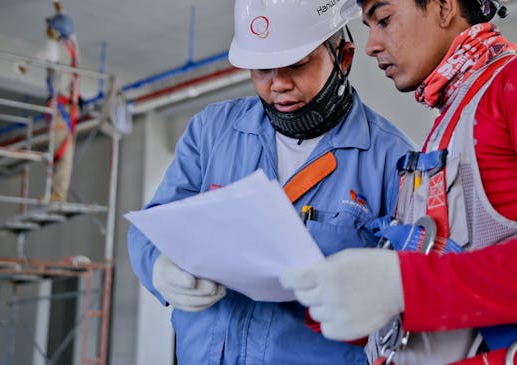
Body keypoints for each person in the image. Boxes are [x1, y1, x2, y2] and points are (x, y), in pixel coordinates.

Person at [280, 0, 517, 364]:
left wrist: (403, 286)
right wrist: (345, 294)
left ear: (445, 7)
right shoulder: (448, 125)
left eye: (383, 20)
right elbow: (445, 285)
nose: (371, 45)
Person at [127, 0, 414, 363]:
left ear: (343, 57)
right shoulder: (211, 132)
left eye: (297, 64)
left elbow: (411, 291)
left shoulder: (393, 160)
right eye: (262, 69)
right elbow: (155, 222)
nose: (278, 84)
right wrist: (159, 266)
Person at [40, 0, 80, 202]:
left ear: (55, 32)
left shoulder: (55, 49)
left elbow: (44, 55)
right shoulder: (72, 47)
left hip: (60, 108)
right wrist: (60, 8)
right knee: (64, 151)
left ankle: (56, 194)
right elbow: (70, 30)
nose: (46, 30)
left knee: (58, 153)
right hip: (68, 107)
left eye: (49, 28)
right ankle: (57, 193)